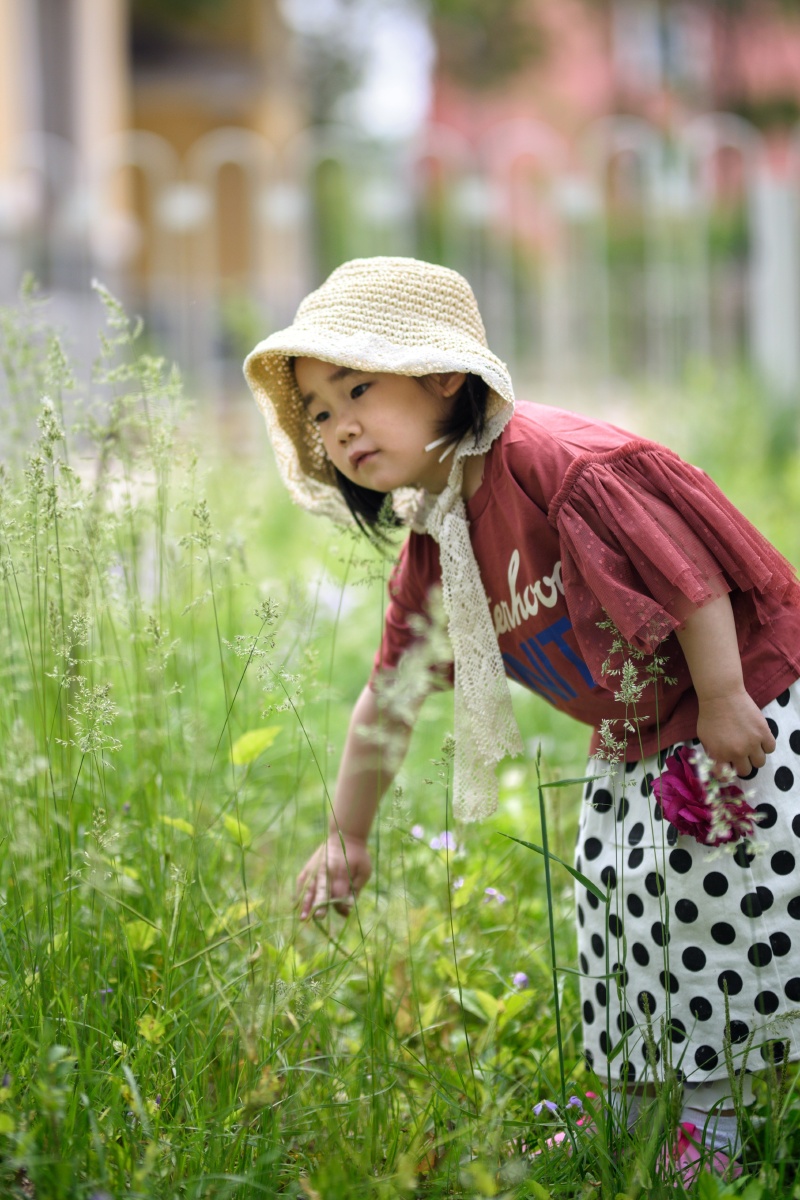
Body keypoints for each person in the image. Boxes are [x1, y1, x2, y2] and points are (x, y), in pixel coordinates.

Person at [244, 256, 800, 1176]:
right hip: (635, 736)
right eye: (319, 413)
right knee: (615, 908)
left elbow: (688, 576)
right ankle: (631, 1101)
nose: (340, 427)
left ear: (442, 377)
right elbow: (387, 697)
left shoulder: (551, 464)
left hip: (745, 700)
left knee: (715, 910)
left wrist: (728, 697)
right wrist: (348, 836)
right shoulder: (438, 541)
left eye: (356, 391)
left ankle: (720, 1121)